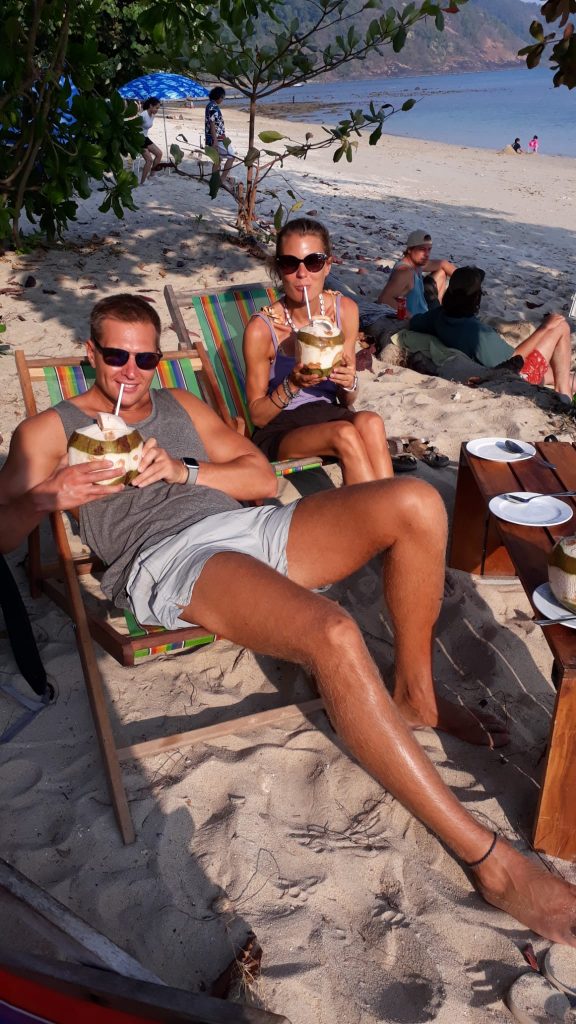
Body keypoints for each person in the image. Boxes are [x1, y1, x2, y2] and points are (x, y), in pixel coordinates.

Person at [3, 292, 576, 947]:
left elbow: (256, 477)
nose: (130, 371)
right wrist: (49, 494)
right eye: (115, 356)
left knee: (416, 500)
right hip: (170, 558)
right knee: (333, 631)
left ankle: (415, 693)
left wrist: (184, 470)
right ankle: (487, 859)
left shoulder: (179, 404)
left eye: (145, 358)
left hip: (246, 524)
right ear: (90, 353)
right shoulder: (48, 432)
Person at [244, 218, 394, 483]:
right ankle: (374, 507)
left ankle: (386, 503)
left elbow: (346, 399)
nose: (302, 274)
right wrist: (293, 383)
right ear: (279, 269)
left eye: (313, 262)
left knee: (371, 422)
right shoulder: (262, 329)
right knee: (344, 434)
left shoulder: (344, 311)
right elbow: (258, 416)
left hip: (329, 413)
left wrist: (348, 383)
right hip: (281, 427)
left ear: (328, 265)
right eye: (290, 263)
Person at [410, 266, 574, 397]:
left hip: (476, 360)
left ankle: (566, 385)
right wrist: (544, 328)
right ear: (476, 298)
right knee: (561, 326)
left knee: (558, 373)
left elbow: (414, 322)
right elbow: (513, 360)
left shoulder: (439, 316)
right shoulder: (478, 333)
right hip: (514, 377)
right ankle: (564, 394)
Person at [376, 230, 456, 317]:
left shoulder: (417, 264)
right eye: (422, 249)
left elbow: (443, 264)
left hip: (424, 307)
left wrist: (465, 283)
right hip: (418, 318)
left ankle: (437, 311)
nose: (427, 254)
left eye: (429, 249)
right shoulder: (405, 272)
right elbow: (383, 299)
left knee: (441, 272)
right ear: (409, 250)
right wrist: (411, 317)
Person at [204, 86, 235, 187]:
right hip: (217, 137)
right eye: (222, 97)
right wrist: (215, 140)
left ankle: (214, 180)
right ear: (218, 96)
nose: (222, 99)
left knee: (218, 159)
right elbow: (212, 123)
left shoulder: (211, 105)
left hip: (217, 137)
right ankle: (222, 179)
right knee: (231, 156)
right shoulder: (212, 107)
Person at [140, 97, 162, 185]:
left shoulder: (152, 115)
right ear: (150, 106)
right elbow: (133, 127)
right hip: (138, 139)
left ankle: (152, 175)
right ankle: (143, 181)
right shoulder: (143, 115)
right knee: (149, 160)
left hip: (145, 138)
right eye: (156, 108)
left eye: (158, 108)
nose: (157, 110)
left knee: (159, 154)